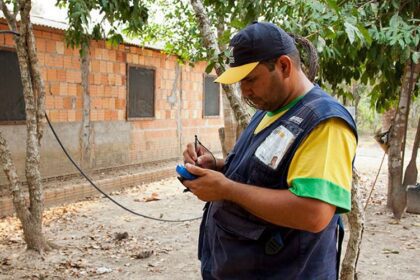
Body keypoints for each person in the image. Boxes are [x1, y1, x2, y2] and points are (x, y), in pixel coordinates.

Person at [182, 21, 357, 280]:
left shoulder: (325, 122)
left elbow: (314, 213)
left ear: (284, 66)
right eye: (241, 82)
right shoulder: (268, 110)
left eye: (251, 80)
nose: (244, 92)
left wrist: (226, 189)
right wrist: (217, 167)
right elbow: (262, 172)